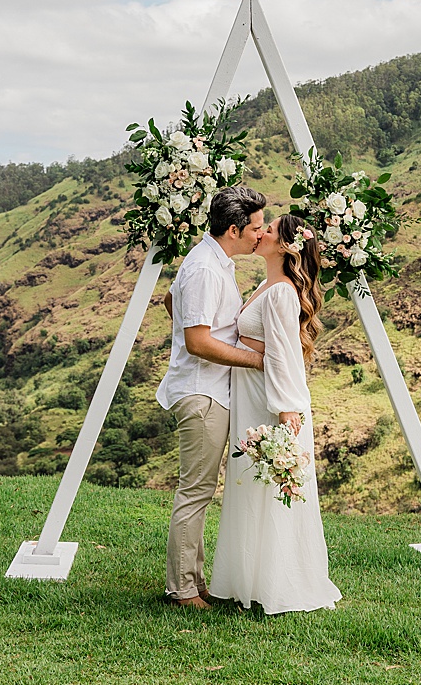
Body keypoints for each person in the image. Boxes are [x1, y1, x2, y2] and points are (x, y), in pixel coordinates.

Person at [209, 213, 342, 614]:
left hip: (270, 403)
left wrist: (286, 412)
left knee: (270, 490)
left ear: (285, 246)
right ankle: (246, 579)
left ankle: (278, 585)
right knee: (251, 487)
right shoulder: (267, 285)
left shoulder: (282, 292)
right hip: (252, 394)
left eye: (268, 230)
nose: (260, 232)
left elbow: (284, 355)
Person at [155, 185, 267, 609]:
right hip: (202, 393)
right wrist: (254, 361)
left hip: (208, 388)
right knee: (195, 491)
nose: (260, 235)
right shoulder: (204, 268)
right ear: (234, 229)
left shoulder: (211, 261)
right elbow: (199, 342)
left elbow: (172, 300)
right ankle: (182, 589)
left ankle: (194, 581)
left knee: (199, 490)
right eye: (256, 228)